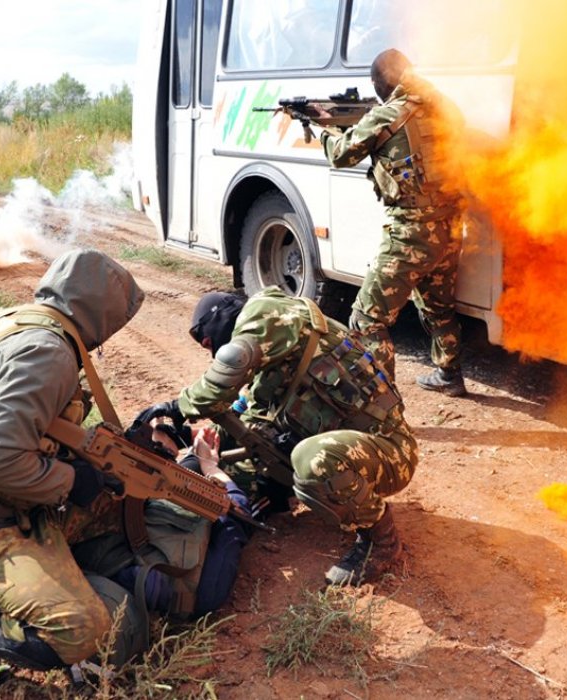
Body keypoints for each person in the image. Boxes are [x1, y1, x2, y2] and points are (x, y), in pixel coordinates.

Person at [0, 250, 251, 696]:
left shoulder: (26, 324)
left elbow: (31, 428)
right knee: (86, 628)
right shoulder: (47, 351)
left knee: (127, 504)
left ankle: (59, 577)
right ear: (99, 313)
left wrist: (97, 463)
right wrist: (72, 480)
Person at [173, 287, 419, 587]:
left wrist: (176, 408)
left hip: (391, 453)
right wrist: (192, 447)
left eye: (211, 344)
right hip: (351, 450)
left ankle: (380, 541)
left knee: (312, 461)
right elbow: (249, 419)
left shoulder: (267, 315)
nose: (214, 353)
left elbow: (223, 376)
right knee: (242, 471)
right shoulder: (279, 353)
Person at [320, 48, 469, 397]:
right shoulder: (445, 108)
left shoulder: (387, 114)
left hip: (411, 233)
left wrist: (323, 132)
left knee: (367, 318)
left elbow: (341, 154)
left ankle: (382, 402)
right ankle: (450, 374)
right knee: (438, 306)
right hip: (449, 227)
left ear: (380, 83)